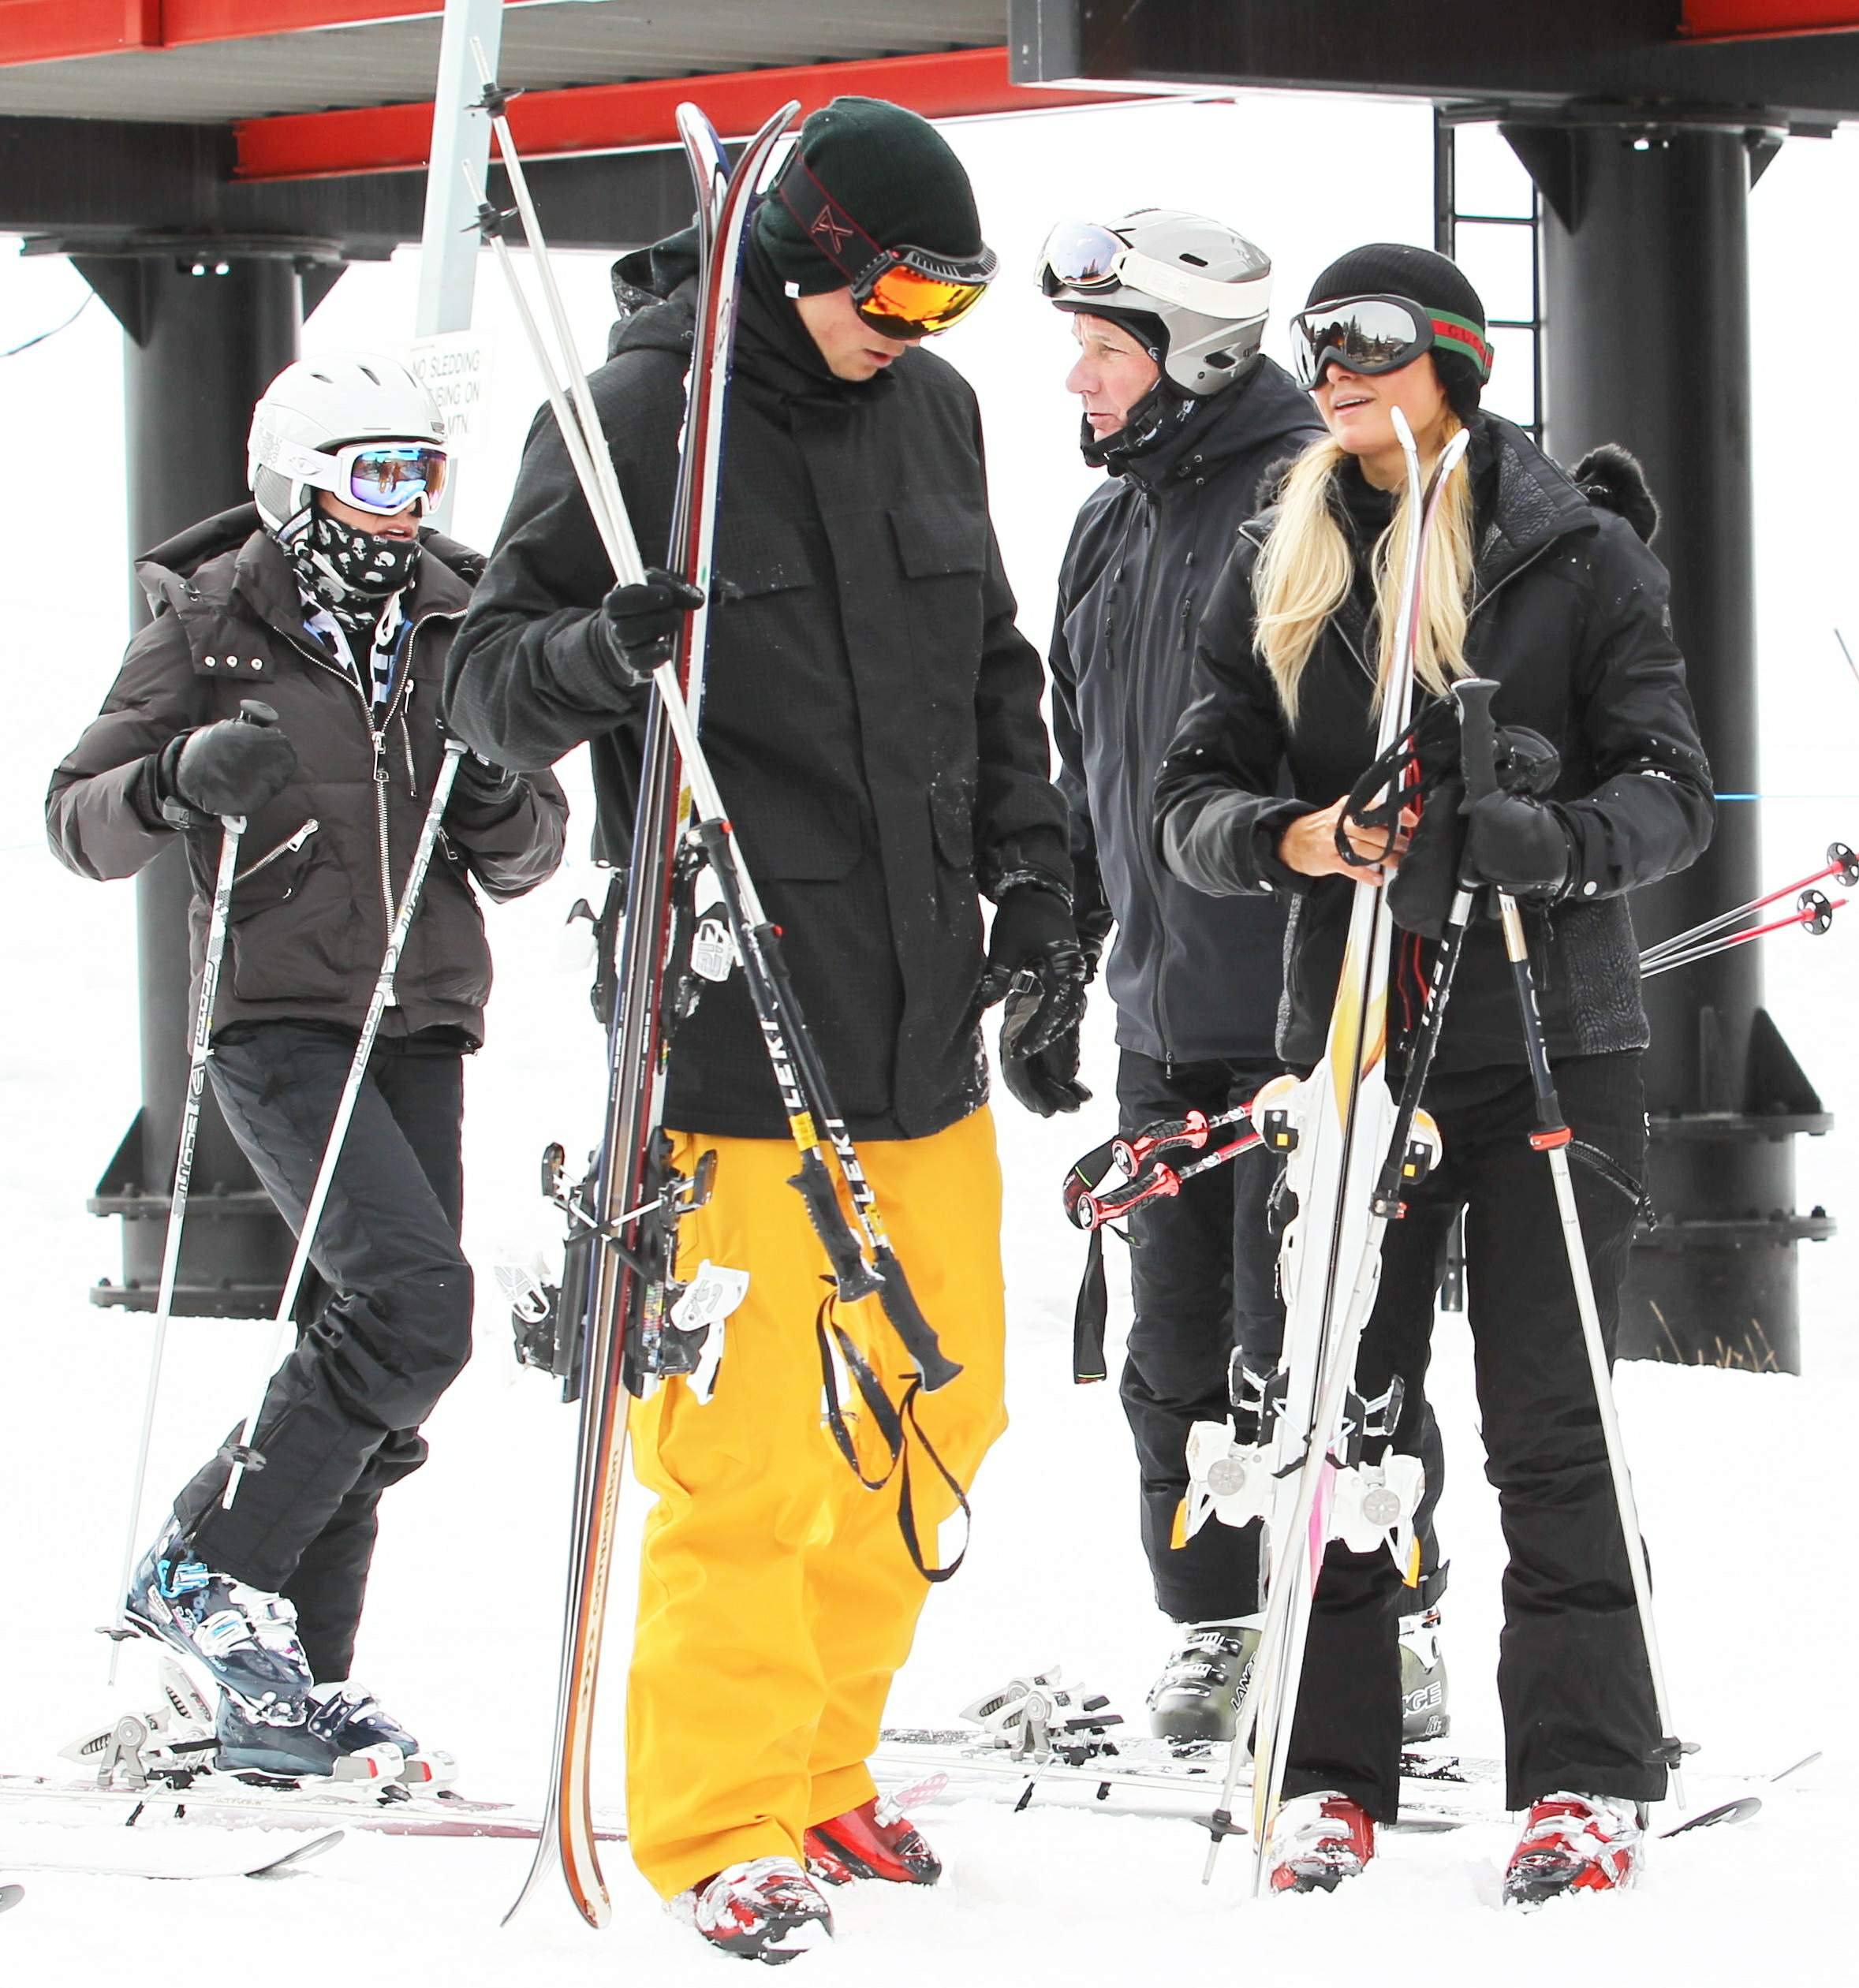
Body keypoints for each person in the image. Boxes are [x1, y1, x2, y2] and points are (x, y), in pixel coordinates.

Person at [445, 98, 1081, 1965]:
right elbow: (484, 681)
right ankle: (718, 1820)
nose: (922, 328)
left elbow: (994, 669)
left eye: (954, 300)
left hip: (917, 1021)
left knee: (940, 1398)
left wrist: (1039, 893)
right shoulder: (639, 418)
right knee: (750, 1455)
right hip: (732, 1026)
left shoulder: (932, 412)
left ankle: (821, 1761)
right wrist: (592, 651)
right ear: (801, 249)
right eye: (897, 289)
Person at [1153, 242, 1715, 1904]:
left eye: (1371, 348)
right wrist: (1303, 836)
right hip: (1348, 1045)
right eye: (1316, 350)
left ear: (1452, 365)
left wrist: (1543, 839)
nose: (1333, 376)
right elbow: (1193, 790)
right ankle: (1327, 1772)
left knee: (1550, 1412)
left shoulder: (1574, 550)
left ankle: (1583, 1772)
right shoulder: (1284, 543)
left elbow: (1672, 789)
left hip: (1543, 1037)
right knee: (1335, 1408)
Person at [47, 351, 567, 1783]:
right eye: (375, 476)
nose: (404, 510)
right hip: (277, 1018)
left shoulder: (465, 623)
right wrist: (176, 778)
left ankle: (286, 1684)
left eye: (424, 476)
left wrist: (497, 793)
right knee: (415, 1309)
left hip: (421, 1015)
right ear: (299, 481)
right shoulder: (215, 627)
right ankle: (207, 1571)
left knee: (370, 1339)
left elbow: (530, 858)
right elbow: (76, 818)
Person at [1040, 209, 1452, 1750]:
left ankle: (1384, 1620)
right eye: (1075, 347)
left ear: (1194, 352)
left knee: (1337, 1340)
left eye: (1102, 348)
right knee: (1172, 1347)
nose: (1075, 379)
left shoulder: (1324, 499)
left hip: (1311, 1005)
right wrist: (1064, 948)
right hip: (1162, 1013)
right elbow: (1087, 762)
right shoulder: (1112, 522)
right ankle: (1215, 1622)